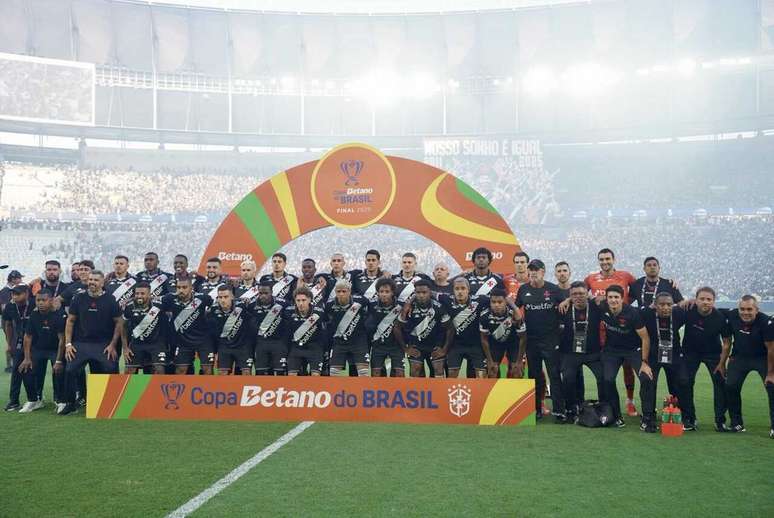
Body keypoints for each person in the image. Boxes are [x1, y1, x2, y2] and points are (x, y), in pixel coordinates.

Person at [584, 248, 639, 417]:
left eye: (607, 259)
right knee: (605, 368)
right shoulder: (591, 278)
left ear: (614, 259)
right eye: (601, 259)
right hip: (599, 331)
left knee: (627, 367)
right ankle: (606, 403)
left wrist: (624, 307)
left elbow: (640, 290)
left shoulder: (625, 276)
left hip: (622, 330)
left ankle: (630, 401)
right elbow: (578, 293)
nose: (605, 262)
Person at [60, 271, 122, 415]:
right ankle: (70, 404)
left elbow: (119, 322)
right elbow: (70, 321)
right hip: (81, 343)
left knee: (111, 368)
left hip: (103, 344)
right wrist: (68, 344)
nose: (92, 282)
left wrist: (113, 344)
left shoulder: (111, 299)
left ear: (102, 283)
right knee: (69, 370)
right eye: (90, 279)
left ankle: (112, 404)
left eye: (96, 280)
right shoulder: (78, 298)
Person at [515, 259, 566, 421]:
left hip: (551, 340)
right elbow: (515, 306)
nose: (533, 273)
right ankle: (535, 409)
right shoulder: (523, 290)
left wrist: (568, 300)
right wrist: (515, 311)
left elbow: (569, 299)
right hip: (531, 341)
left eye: (536, 270)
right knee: (534, 375)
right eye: (531, 271)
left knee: (554, 375)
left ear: (543, 271)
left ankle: (559, 410)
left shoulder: (553, 289)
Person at [598, 285, 655, 429]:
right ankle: (616, 416)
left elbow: (645, 338)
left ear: (622, 299)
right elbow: (585, 299)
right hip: (612, 351)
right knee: (608, 380)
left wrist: (644, 362)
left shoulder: (632, 313)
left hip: (633, 350)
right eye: (610, 297)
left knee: (646, 378)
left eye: (616, 297)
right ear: (607, 298)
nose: (613, 300)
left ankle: (648, 417)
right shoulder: (602, 307)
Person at [721, 295, 774, 436]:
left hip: (762, 357)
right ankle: (736, 423)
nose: (745, 312)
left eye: (749, 309)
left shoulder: (766, 322)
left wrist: (771, 373)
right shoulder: (732, 315)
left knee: (772, 387)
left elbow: (771, 349)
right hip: (740, 357)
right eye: (742, 309)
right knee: (730, 386)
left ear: (757, 309)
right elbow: (712, 309)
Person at [681, 287, 732, 432]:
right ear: (695, 300)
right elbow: (671, 308)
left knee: (721, 383)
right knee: (686, 382)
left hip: (713, 354)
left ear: (714, 301)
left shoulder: (721, 318)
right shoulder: (688, 310)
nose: (705, 302)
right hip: (690, 353)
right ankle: (690, 419)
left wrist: (722, 363)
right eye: (702, 299)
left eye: (709, 299)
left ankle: (720, 421)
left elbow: (727, 342)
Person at [641, 292, 688, 432]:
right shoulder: (646, 314)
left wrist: (691, 300)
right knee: (647, 381)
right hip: (653, 356)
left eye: (669, 304)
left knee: (681, 381)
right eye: (661, 304)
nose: (666, 307)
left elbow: (698, 309)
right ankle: (648, 417)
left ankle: (680, 415)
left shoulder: (679, 313)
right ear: (655, 305)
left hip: (674, 355)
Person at [560, 282, 604, 421]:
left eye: (581, 293)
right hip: (571, 353)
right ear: (570, 296)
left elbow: (610, 300)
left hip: (593, 353)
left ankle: (605, 408)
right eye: (574, 294)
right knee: (567, 378)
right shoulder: (564, 308)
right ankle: (571, 409)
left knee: (604, 378)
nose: (578, 296)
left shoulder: (597, 307)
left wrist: (599, 298)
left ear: (587, 294)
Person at [18, 289, 66, 413]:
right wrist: (27, 358)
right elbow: (28, 337)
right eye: (38, 300)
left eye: (43, 300)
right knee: (25, 368)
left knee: (59, 370)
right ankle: (35, 400)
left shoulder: (59, 316)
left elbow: (62, 340)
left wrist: (59, 360)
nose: (40, 303)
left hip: (56, 350)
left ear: (50, 301)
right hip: (39, 349)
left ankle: (60, 400)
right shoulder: (34, 315)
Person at [393, 279, 452, 378]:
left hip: (435, 345)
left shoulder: (439, 307)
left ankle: (439, 393)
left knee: (438, 369)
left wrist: (444, 349)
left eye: (424, 292)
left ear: (430, 292)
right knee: (415, 370)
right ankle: (418, 392)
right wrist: (405, 348)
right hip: (416, 346)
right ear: (414, 293)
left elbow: (450, 328)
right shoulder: (408, 308)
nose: (421, 295)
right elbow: (397, 328)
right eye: (418, 292)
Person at [161, 275, 214, 375]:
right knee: (181, 370)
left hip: (203, 340)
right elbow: (153, 301)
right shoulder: (170, 298)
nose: (181, 290)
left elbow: (215, 305)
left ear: (191, 288)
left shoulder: (202, 298)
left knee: (207, 370)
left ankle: (208, 390)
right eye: (179, 287)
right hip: (183, 341)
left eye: (184, 287)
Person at [442, 277, 486, 378]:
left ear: (468, 290)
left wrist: (516, 310)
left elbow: (501, 297)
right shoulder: (447, 299)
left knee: (481, 376)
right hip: (456, 345)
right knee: (452, 375)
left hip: (475, 345)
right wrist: (408, 304)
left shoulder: (479, 300)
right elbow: (429, 293)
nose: (460, 292)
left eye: (463, 288)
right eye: (457, 289)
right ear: (453, 291)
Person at [325, 280, 370, 377]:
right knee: (333, 373)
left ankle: (361, 392)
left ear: (349, 291)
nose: (341, 294)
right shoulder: (330, 305)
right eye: (338, 291)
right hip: (339, 342)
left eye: (344, 291)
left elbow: (371, 313)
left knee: (363, 373)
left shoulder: (361, 301)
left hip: (359, 342)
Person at [120, 282, 167, 375]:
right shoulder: (129, 307)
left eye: (142, 293)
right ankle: (130, 389)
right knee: (129, 371)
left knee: (159, 370)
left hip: (156, 344)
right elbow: (123, 327)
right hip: (137, 343)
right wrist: (125, 348)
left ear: (149, 295)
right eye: (137, 293)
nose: (139, 296)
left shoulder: (159, 305)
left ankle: (157, 389)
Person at [208, 286, 255, 376]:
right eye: (220, 297)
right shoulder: (213, 310)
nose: (222, 300)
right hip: (224, 346)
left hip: (242, 346)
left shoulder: (243, 306)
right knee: (222, 373)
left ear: (232, 297)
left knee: (246, 373)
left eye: (226, 297)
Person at [479, 288, 526, 379]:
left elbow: (523, 338)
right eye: (494, 302)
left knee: (516, 372)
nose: (496, 305)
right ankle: (496, 392)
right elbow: (484, 339)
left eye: (500, 302)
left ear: (505, 302)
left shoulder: (515, 315)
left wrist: (519, 361)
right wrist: (489, 360)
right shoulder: (484, 316)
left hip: (514, 343)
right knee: (492, 371)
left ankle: (512, 392)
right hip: (495, 343)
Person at [3, 283, 34, 412]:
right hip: (20, 342)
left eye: (18, 294)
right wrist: (9, 344)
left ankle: (34, 399)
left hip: (36, 342)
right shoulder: (10, 306)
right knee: (17, 370)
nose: (14, 296)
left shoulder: (34, 303)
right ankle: (15, 401)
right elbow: (8, 325)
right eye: (13, 294)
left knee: (31, 371)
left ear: (26, 293)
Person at [366, 278, 405, 377]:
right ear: (377, 293)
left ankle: (397, 392)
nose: (384, 294)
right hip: (378, 344)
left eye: (387, 292)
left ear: (392, 293)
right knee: (376, 375)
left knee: (399, 374)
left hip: (396, 345)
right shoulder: (371, 304)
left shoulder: (401, 305)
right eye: (381, 291)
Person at [285, 286, 326, 376]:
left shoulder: (319, 313)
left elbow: (324, 332)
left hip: (314, 348)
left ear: (309, 300)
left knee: (315, 376)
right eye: (298, 300)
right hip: (296, 348)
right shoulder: (288, 312)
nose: (301, 303)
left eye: (303, 300)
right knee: (291, 376)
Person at [253, 281, 288, 376]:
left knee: (280, 372)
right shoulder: (252, 305)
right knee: (261, 372)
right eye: (260, 293)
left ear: (272, 292)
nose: (263, 296)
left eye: (266, 293)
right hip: (261, 343)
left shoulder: (283, 304)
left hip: (279, 343)